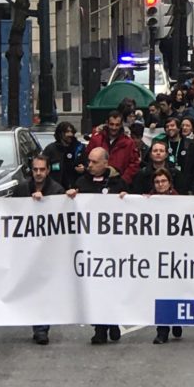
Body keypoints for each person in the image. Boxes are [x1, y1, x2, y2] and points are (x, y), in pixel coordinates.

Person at [67, 147, 128, 344]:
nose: (89, 165)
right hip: (90, 245)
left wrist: (126, 198)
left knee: (112, 285)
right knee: (95, 287)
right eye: (89, 161)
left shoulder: (118, 183)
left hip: (113, 245)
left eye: (94, 162)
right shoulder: (82, 183)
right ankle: (100, 328)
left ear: (105, 163)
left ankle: (113, 320)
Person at [15, 154, 68, 345]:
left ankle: (41, 328)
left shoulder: (56, 190)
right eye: (35, 169)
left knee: (43, 288)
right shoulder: (21, 189)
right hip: (27, 248)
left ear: (47, 170)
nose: (38, 173)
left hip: (47, 249)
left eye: (42, 170)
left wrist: (46, 201)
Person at [148, 168, 184, 344]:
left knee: (175, 290)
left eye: (163, 181)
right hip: (157, 254)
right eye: (157, 182)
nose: (160, 185)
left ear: (169, 182)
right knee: (161, 291)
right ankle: (162, 331)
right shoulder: (147, 201)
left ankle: (176, 321)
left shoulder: (179, 201)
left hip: (176, 254)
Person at [84, 110, 141, 186]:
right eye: (111, 124)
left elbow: (134, 164)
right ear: (107, 123)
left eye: (117, 125)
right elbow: (87, 157)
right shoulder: (96, 139)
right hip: (95, 182)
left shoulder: (129, 143)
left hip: (119, 183)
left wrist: (124, 180)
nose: (114, 128)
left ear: (121, 125)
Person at [42, 121, 85, 189]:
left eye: (72, 132)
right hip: (56, 189)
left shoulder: (80, 148)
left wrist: (84, 168)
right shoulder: (51, 149)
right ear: (60, 134)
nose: (70, 134)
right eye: (67, 132)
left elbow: (88, 164)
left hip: (75, 188)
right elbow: (42, 166)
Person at [164, 117, 194, 194]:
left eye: (172, 125)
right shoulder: (161, 144)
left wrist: (191, 184)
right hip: (165, 185)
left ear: (178, 128)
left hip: (186, 186)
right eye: (167, 126)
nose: (169, 128)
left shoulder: (190, 145)